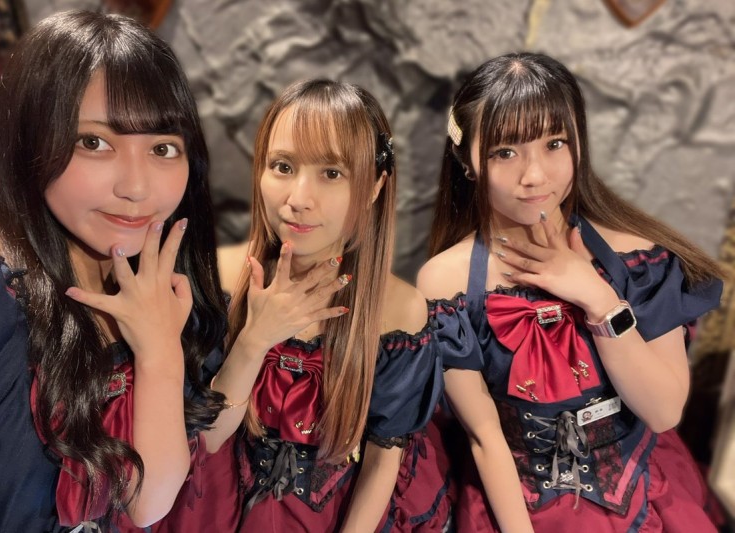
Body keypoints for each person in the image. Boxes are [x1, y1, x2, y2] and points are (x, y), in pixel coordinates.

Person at [0, 10, 315, 531]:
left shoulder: (167, 293)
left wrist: (159, 351)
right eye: (94, 142)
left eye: (163, 148)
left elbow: (151, 501)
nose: (137, 187)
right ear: (29, 141)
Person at [417, 52, 725, 532]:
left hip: (647, 499)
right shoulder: (446, 281)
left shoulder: (638, 261)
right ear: (467, 161)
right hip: (512, 507)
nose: (534, 175)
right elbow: (483, 437)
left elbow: (664, 411)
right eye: (505, 152)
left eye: (554, 143)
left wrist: (597, 298)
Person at [161, 78, 477, 532]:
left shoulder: (399, 311)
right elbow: (208, 440)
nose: (298, 200)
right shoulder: (221, 279)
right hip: (222, 507)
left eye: (332, 173)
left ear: (374, 186)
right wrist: (255, 339)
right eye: (283, 166)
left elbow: (382, 458)